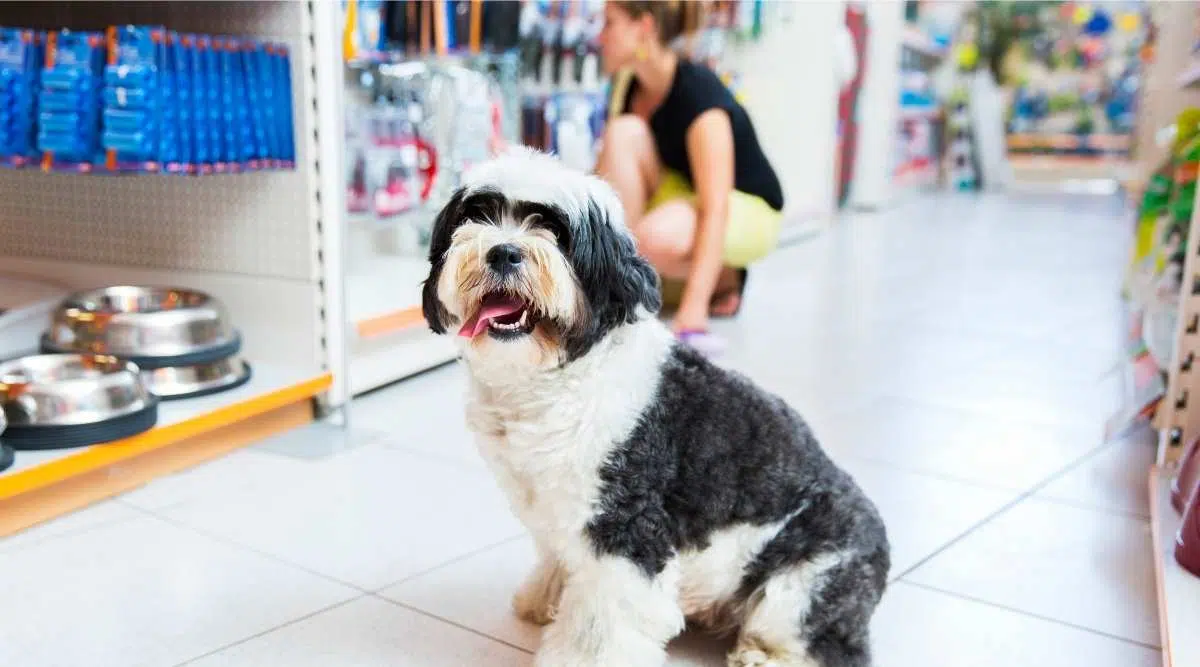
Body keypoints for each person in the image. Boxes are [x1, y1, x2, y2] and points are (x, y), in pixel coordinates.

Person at [595, 0, 784, 337]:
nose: (600, 36)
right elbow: (604, 179)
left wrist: (693, 310)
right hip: (682, 193)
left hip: (744, 204)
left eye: (610, 23)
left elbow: (716, 206)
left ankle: (727, 276)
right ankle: (624, 284)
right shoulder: (629, 86)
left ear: (644, 28)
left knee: (653, 239)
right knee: (622, 132)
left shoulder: (699, 93)